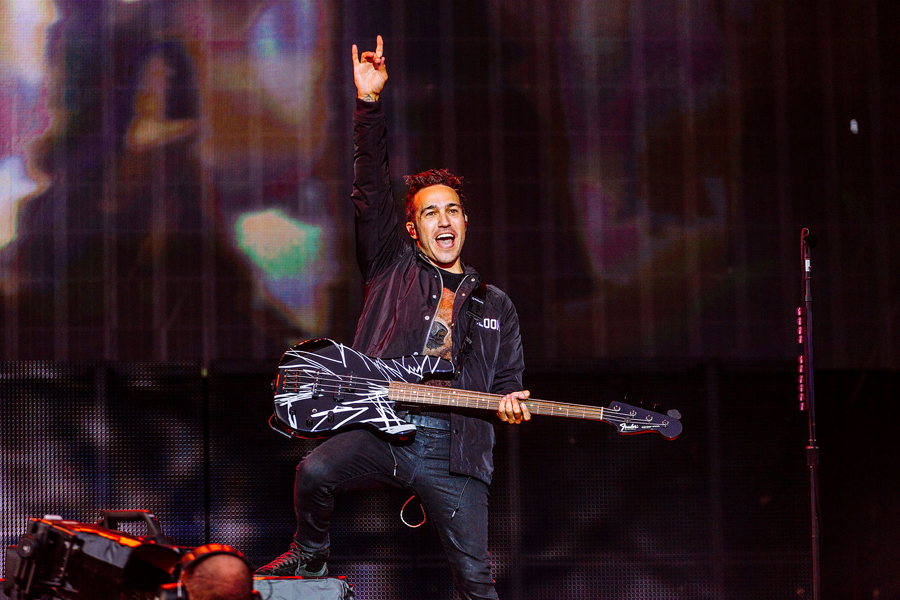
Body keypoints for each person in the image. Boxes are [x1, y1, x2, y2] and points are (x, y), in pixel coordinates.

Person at [255, 35, 531, 600]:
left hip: (456, 451)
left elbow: (508, 387)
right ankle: (310, 555)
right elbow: (370, 190)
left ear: (466, 221)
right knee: (314, 472)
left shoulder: (497, 304)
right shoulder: (390, 264)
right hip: (386, 426)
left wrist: (511, 407)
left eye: (452, 210)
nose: (443, 221)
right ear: (413, 228)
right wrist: (368, 104)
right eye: (430, 213)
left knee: (476, 582)